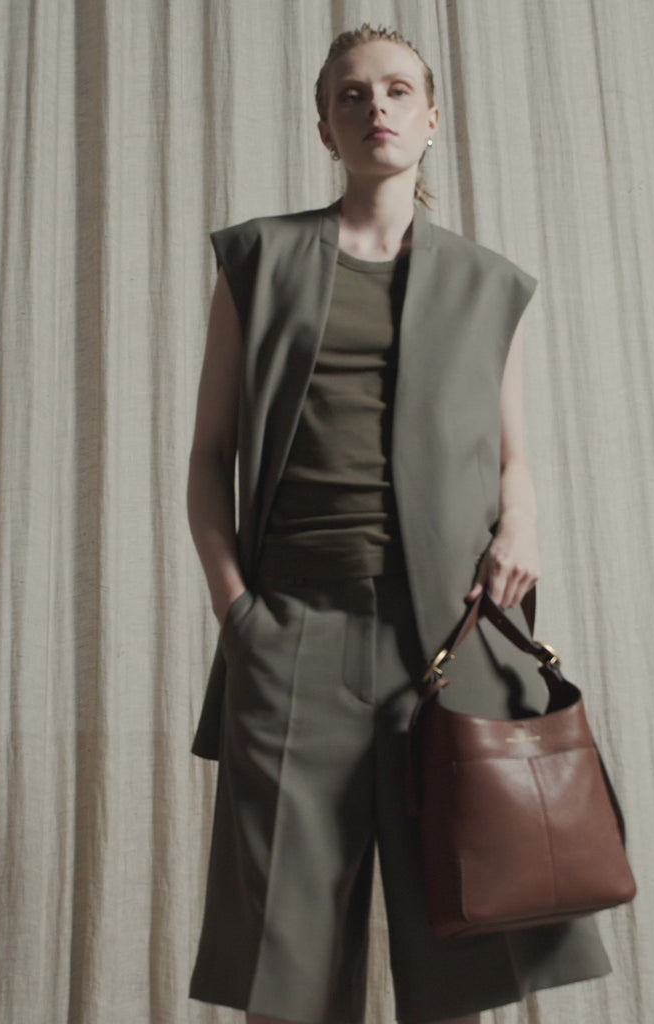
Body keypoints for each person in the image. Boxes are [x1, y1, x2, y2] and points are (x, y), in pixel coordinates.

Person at [187, 23, 611, 1024]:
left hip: (448, 641)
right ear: (323, 127)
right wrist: (238, 614)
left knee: (458, 951)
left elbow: (510, 455)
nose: (373, 106)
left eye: (394, 90)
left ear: (430, 119)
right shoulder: (258, 260)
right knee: (284, 973)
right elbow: (209, 456)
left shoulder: (487, 283)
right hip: (291, 632)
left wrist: (522, 524)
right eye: (349, 94)